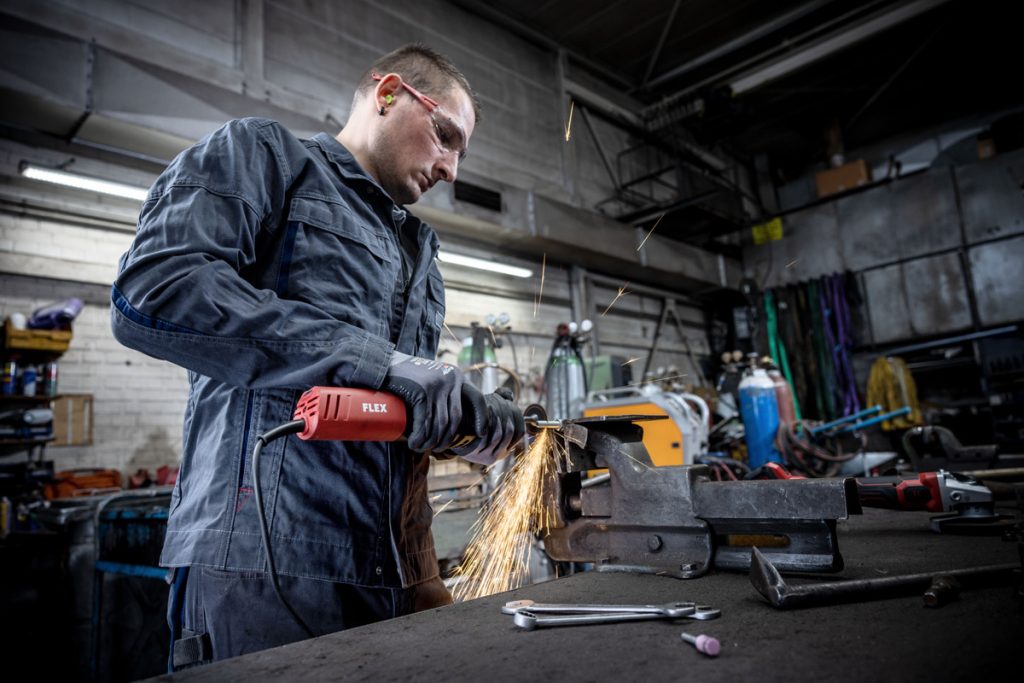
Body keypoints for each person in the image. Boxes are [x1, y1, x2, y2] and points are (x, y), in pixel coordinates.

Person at [110, 43, 525, 669]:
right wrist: (378, 362)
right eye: (446, 135)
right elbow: (154, 291)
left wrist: (463, 421)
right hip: (265, 569)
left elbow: (390, 410)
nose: (452, 170)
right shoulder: (266, 157)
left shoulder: (418, 250)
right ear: (388, 95)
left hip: (392, 574)